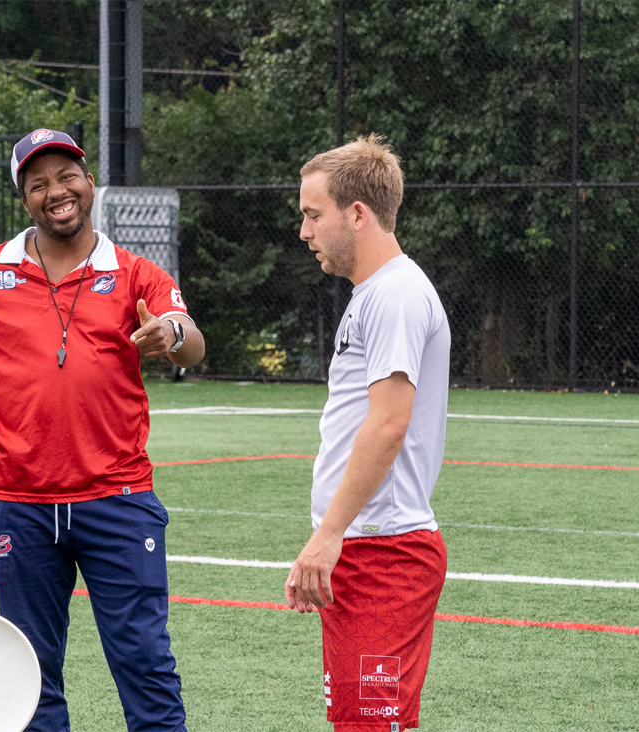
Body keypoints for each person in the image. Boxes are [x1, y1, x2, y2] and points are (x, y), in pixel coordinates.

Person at [0, 128, 205, 732]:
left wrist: (171, 334)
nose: (57, 192)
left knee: (146, 666)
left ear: (89, 183)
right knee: (29, 677)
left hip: (118, 500)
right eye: (38, 183)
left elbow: (190, 337)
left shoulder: (133, 272)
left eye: (67, 176)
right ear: (24, 198)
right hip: (18, 504)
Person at [286, 134, 450, 732]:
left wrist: (328, 536)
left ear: (357, 213)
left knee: (371, 725)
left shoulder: (396, 294)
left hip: (384, 553)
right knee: (363, 722)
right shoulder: (374, 294)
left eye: (313, 214)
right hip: (364, 550)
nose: (304, 232)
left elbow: (388, 424)